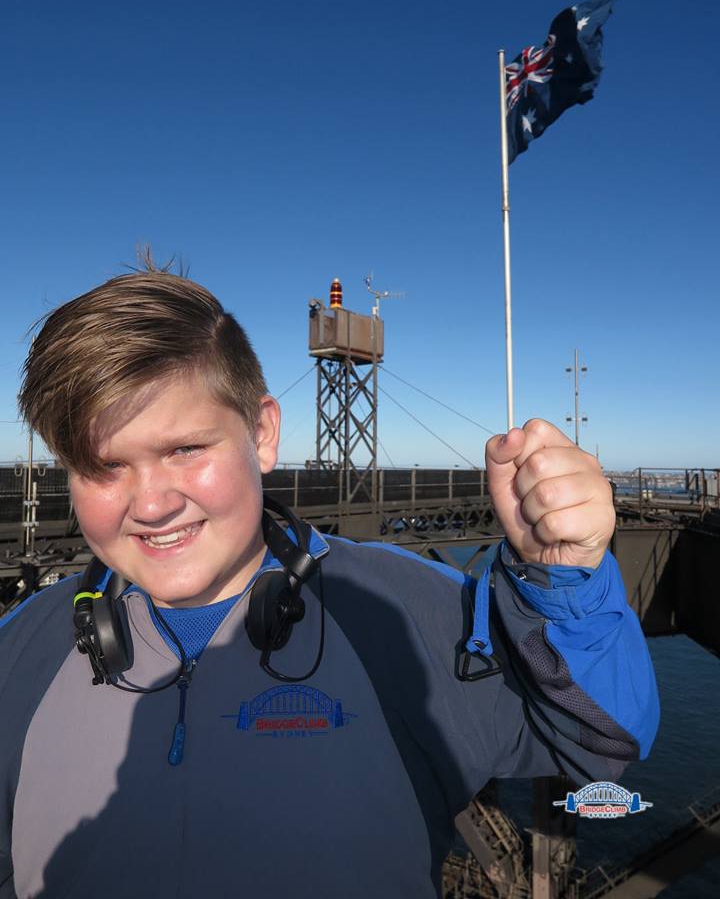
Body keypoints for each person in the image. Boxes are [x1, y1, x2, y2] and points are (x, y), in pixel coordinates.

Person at [0, 268, 659, 899]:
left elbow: (598, 743)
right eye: (104, 466)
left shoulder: (404, 614)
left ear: (263, 434)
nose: (150, 505)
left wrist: (564, 585)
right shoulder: (22, 649)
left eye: (184, 450)